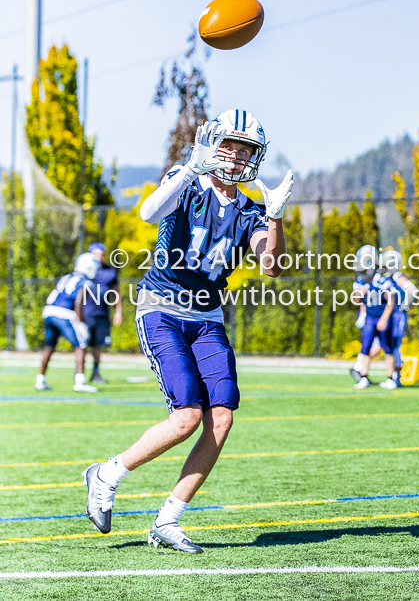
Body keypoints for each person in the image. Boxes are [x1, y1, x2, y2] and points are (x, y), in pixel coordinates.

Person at [82, 110, 293, 553]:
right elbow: (147, 212)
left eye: (246, 150)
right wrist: (189, 170)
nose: (235, 157)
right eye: (229, 146)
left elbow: (272, 266)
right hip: (162, 306)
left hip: (208, 316)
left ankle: (168, 520)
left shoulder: (251, 211)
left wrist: (274, 217)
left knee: (222, 418)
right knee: (186, 417)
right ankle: (106, 474)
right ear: (212, 144)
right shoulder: (187, 179)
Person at [35, 253, 100, 394]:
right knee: (81, 344)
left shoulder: (66, 277)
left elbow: (54, 295)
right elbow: (78, 303)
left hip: (49, 311)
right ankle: (80, 382)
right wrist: (80, 321)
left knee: (49, 347)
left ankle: (40, 380)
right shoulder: (84, 282)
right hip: (64, 313)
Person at [350, 245, 396, 390]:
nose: (361, 273)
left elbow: (391, 300)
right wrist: (360, 293)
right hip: (369, 318)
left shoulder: (380, 281)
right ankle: (363, 377)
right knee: (365, 348)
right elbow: (355, 301)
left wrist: (384, 318)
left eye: (363, 269)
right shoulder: (360, 283)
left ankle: (391, 378)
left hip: (381, 317)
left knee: (388, 348)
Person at [83, 242, 123, 383]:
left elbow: (117, 292)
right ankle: (79, 375)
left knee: (97, 346)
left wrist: (119, 312)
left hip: (102, 314)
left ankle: (95, 373)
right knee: (82, 344)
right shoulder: (85, 269)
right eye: (96, 254)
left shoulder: (109, 271)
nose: (100, 257)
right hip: (85, 313)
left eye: (101, 254)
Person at [380, 249, 418, 388]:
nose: (383, 269)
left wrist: (404, 305)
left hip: (398, 315)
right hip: (393, 314)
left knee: (395, 346)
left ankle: (395, 378)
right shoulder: (390, 278)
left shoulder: (397, 276)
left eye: (385, 266)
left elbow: (412, 290)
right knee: (392, 346)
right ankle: (395, 378)